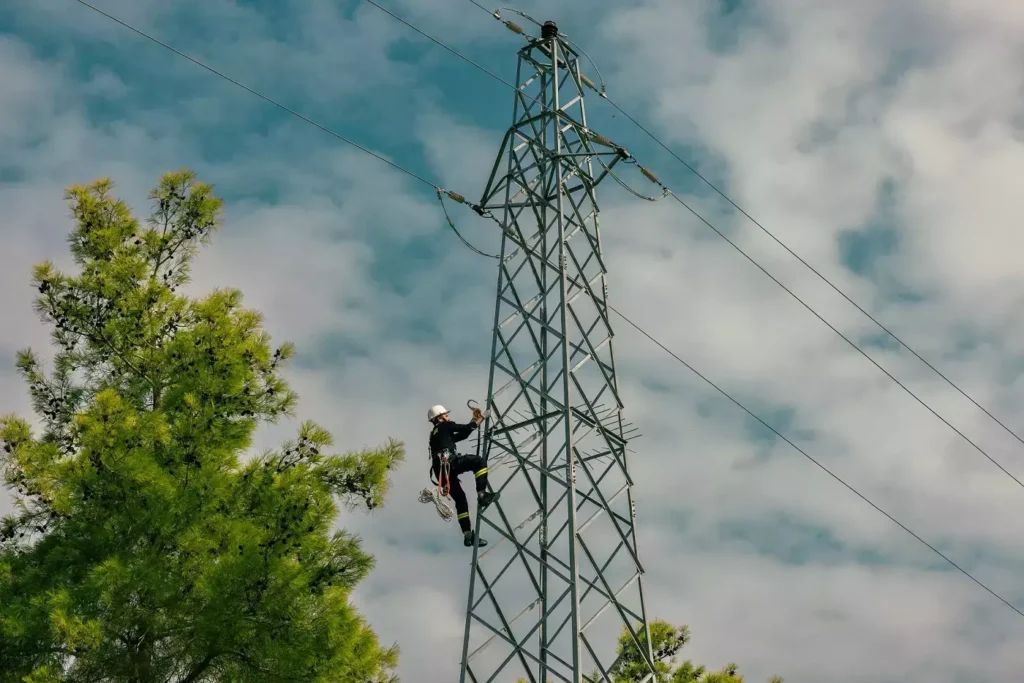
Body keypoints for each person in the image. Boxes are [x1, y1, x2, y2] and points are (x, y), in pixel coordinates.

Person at [427, 403, 500, 547]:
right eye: (446, 415)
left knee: (460, 500)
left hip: (441, 473)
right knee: (479, 462)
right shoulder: (444, 426)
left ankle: (467, 536)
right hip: (449, 463)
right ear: (440, 418)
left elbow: (463, 435)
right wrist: (482, 417)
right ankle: (482, 495)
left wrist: (475, 420)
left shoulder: (435, 434)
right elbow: (467, 429)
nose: (448, 417)